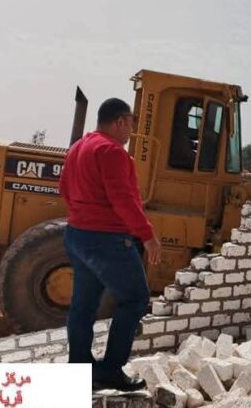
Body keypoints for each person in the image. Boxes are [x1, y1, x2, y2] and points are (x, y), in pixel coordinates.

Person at [59, 97, 162, 392]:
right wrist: (147, 235)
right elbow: (124, 200)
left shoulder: (79, 147)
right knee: (135, 299)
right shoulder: (112, 151)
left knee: (83, 305)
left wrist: (82, 215)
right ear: (119, 121)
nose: (131, 130)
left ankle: (79, 367)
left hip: (77, 234)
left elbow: (64, 188)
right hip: (107, 239)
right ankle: (109, 370)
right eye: (130, 123)